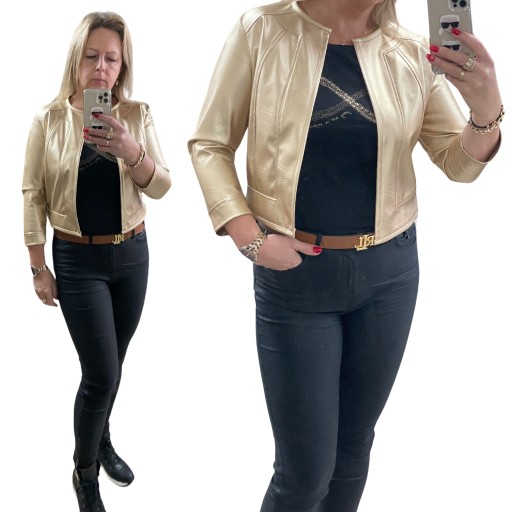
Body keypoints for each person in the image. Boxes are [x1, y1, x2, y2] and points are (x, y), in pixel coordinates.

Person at [188, 0, 503, 510]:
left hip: (389, 277)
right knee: (304, 475)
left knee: (353, 450)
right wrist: (249, 237)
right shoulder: (262, 30)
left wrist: (486, 112)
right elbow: (210, 143)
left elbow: (458, 163)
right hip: (297, 282)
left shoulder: (410, 51)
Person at [22, 11, 171, 512]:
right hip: (77, 260)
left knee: (114, 364)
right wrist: (38, 266)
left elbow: (162, 186)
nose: (101, 67)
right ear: (76, 59)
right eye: (92, 56)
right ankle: (84, 472)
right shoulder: (48, 119)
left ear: (123, 64)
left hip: (131, 255)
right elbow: (33, 193)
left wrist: (132, 150)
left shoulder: (138, 115)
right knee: (101, 373)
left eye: (111, 58)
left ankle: (100, 433)